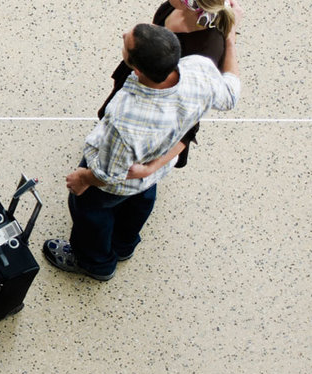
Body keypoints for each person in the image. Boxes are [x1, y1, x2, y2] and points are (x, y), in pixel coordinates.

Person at [43, 22, 241, 281]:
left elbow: (110, 174)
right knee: (140, 202)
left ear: (136, 68)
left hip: (116, 183)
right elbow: (231, 94)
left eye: (127, 42)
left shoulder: (125, 118)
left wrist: (82, 179)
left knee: (91, 212)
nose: (123, 33)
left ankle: (95, 263)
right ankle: (124, 246)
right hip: (152, 171)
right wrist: (230, 41)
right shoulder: (200, 70)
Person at [97, 0, 238, 173]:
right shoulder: (173, 7)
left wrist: (149, 169)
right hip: (141, 74)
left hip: (154, 104)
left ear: (188, 3)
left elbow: (189, 122)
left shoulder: (205, 52)